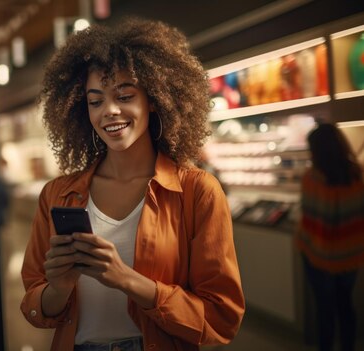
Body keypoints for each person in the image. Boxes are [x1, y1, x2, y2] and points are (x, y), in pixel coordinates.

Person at [20, 18, 245, 351]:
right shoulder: (57, 194)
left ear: (153, 98)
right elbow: (35, 307)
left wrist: (127, 279)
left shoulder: (197, 192)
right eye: (95, 101)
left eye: (124, 96)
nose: (109, 111)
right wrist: (59, 288)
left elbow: (221, 318)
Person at [295, 123, 364, 351]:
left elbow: (309, 219)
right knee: (346, 307)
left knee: (325, 312)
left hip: (317, 258)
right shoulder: (357, 177)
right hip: (350, 257)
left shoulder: (311, 180)